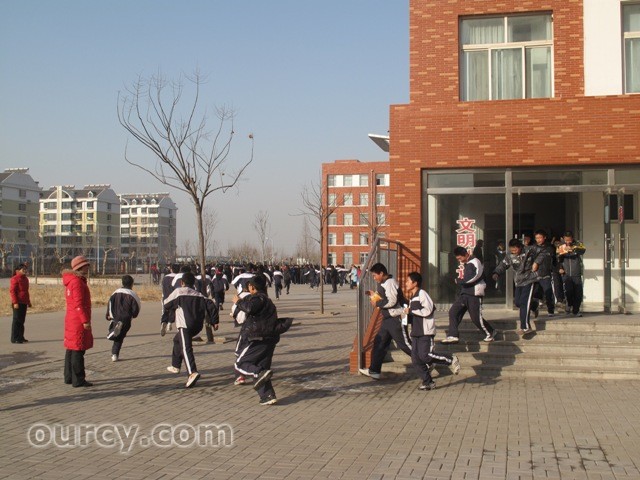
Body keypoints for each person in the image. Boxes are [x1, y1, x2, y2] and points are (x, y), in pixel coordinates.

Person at [233, 275, 293, 405]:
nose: (248, 287)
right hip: (269, 338)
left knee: (241, 364)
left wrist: (238, 301)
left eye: (249, 285)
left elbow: (250, 308)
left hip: (258, 337)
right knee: (261, 368)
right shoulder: (268, 301)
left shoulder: (258, 298)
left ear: (253, 287)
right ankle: (268, 395)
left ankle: (258, 372)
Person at [404, 272, 460, 390]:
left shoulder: (422, 294)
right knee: (415, 359)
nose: (406, 283)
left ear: (415, 283)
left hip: (426, 332)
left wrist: (412, 311)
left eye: (408, 281)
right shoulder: (412, 297)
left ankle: (451, 359)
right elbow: (414, 315)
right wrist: (405, 316)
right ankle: (428, 382)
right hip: (416, 332)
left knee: (425, 356)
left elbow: (428, 310)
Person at [163, 272, 219, 388]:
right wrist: (215, 321)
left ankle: (192, 372)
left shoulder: (178, 292)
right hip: (197, 326)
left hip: (185, 325)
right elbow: (211, 305)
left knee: (186, 348)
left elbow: (166, 304)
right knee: (177, 340)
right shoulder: (198, 294)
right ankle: (175, 365)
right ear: (194, 283)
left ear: (182, 282)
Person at [358, 263, 411, 380]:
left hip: (396, 318)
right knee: (379, 343)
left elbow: (392, 301)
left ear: (381, 273)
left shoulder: (389, 283)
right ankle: (374, 370)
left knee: (405, 345)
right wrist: (375, 296)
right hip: (388, 319)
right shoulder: (385, 283)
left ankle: (426, 361)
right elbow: (387, 298)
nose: (374, 278)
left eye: (374, 275)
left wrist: (377, 303)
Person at [442, 247, 496, 344]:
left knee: (475, 318)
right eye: (458, 259)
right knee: (453, 312)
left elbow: (470, 279)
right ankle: (452, 335)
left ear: (466, 254)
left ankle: (490, 332)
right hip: (465, 294)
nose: (459, 261)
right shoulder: (468, 264)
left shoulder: (474, 262)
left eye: (460, 258)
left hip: (474, 294)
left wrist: (458, 281)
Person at [492, 239, 540, 335]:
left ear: (520, 247)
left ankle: (525, 327)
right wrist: (496, 272)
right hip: (518, 281)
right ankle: (534, 305)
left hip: (530, 279)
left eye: (515, 250)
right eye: (511, 250)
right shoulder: (510, 256)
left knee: (524, 302)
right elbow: (503, 264)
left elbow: (542, 254)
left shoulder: (529, 251)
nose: (513, 252)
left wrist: (537, 264)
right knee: (518, 302)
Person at [63, 255, 94, 387]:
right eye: (86, 265)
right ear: (80, 267)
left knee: (71, 348)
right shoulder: (77, 282)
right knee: (78, 349)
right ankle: (78, 379)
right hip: (78, 320)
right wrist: (85, 320)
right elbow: (79, 304)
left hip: (72, 319)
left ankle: (69, 376)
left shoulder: (72, 280)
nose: (88, 268)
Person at [106, 275, 141, 362]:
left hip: (115, 317)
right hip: (126, 318)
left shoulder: (115, 292)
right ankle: (114, 353)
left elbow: (110, 303)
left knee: (117, 334)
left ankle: (114, 350)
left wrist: (108, 314)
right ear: (132, 284)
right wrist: (133, 315)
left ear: (122, 283)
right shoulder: (133, 295)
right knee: (120, 337)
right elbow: (136, 308)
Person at [557, 231, 586, 316]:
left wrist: (573, 248)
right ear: (563, 238)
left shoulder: (578, 243)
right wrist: (560, 268)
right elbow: (557, 257)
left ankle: (576, 310)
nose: (568, 242)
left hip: (576, 272)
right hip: (566, 273)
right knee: (569, 291)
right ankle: (569, 304)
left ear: (572, 238)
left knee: (578, 292)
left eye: (569, 240)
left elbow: (583, 250)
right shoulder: (560, 245)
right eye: (566, 240)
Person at [533, 229, 556, 317]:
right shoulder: (533, 248)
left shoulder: (550, 248)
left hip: (546, 273)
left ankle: (550, 310)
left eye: (540, 238)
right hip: (535, 274)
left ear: (544, 238)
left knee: (548, 292)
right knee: (535, 294)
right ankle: (534, 308)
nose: (538, 240)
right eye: (536, 238)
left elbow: (554, 260)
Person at [10, 263, 31, 344]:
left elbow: (26, 292)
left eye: (25, 269)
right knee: (16, 320)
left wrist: (28, 302)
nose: (25, 271)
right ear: (18, 271)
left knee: (22, 321)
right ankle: (14, 338)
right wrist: (15, 302)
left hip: (24, 302)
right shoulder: (14, 279)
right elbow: (12, 291)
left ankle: (21, 337)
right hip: (17, 302)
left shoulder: (26, 279)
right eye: (23, 270)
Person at [160, 264, 180, 336]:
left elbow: (162, 287)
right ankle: (170, 323)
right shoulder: (178, 277)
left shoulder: (165, 277)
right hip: (175, 297)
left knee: (165, 311)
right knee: (174, 310)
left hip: (165, 297)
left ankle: (163, 322)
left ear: (171, 269)